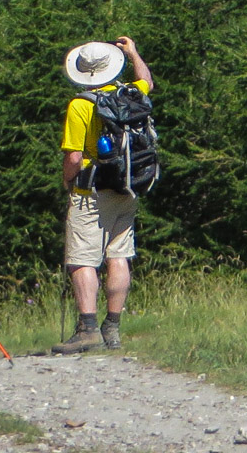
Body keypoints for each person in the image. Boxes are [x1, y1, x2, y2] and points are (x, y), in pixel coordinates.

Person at [51, 36, 153, 354]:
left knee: (82, 259)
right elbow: (147, 80)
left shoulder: (80, 104)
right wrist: (133, 52)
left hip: (91, 190)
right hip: (128, 184)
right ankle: (113, 329)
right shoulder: (131, 94)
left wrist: (69, 183)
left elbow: (72, 157)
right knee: (119, 255)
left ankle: (87, 329)